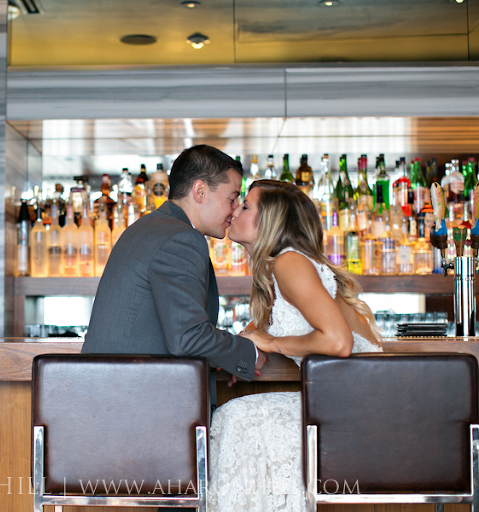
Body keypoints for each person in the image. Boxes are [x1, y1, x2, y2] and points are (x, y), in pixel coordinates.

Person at [207, 179, 382, 512]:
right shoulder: (276, 273)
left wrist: (271, 342)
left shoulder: (290, 263)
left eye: (245, 206)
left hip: (360, 405)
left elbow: (338, 341)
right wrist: (242, 354)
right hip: (340, 400)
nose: (234, 210)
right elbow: (251, 336)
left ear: (270, 221)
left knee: (236, 419)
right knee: (235, 418)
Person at [82, 144, 265, 408]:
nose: (235, 209)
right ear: (200, 191)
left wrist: (224, 354)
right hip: (140, 406)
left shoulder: (148, 227)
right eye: (232, 198)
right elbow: (189, 336)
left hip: (111, 399)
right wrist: (250, 353)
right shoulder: (181, 238)